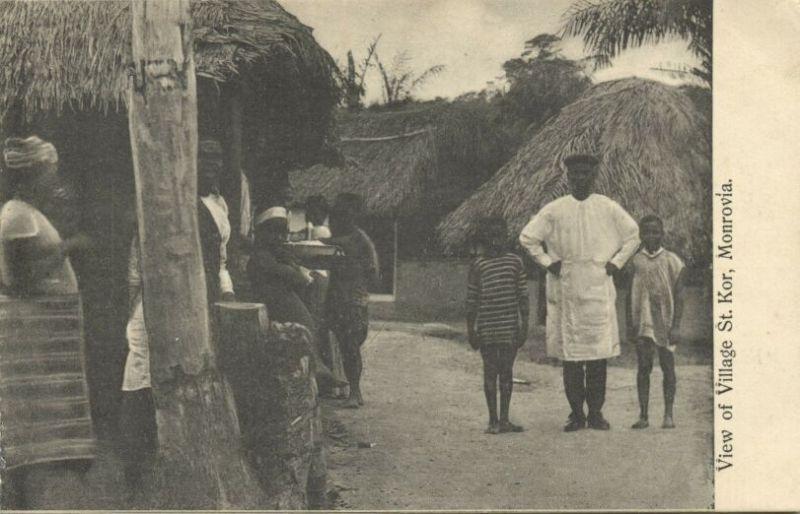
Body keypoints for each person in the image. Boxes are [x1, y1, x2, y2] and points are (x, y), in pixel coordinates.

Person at [0, 136, 96, 509]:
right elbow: (20, 279)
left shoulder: (26, 212)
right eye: (49, 173)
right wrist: (69, 247)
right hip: (31, 335)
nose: (53, 180)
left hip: (44, 337)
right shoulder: (17, 215)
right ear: (33, 175)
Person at [519, 154, 639, 432]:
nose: (579, 179)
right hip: (567, 286)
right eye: (574, 175)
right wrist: (549, 263)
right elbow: (527, 237)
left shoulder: (607, 207)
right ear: (568, 177)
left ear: (593, 176)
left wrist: (616, 262)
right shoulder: (555, 209)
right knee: (571, 357)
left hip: (598, 284)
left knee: (597, 357)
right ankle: (576, 414)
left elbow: (634, 235)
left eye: (585, 173)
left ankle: (596, 413)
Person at [247, 206, 343, 388]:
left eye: (283, 233)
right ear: (263, 234)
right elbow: (295, 277)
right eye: (274, 233)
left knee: (310, 321)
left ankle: (318, 366)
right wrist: (293, 268)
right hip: (272, 298)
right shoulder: (262, 256)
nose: (280, 238)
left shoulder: (275, 254)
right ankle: (317, 367)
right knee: (304, 322)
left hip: (282, 295)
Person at [466, 217, 529, 434]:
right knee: (490, 372)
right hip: (487, 328)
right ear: (485, 239)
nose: (496, 241)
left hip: (509, 328)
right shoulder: (478, 265)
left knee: (507, 372)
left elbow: (523, 296)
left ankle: (504, 419)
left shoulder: (515, 262)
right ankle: (492, 420)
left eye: (500, 236)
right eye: (492, 237)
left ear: (506, 237)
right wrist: (471, 330)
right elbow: (471, 300)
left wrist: (524, 326)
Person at [627, 215, 686, 429]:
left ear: (662, 234)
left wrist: (676, 326)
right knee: (644, 367)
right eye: (647, 232)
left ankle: (668, 414)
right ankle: (643, 416)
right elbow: (629, 295)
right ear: (641, 235)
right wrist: (629, 324)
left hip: (665, 322)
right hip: (643, 322)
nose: (651, 236)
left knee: (668, 367)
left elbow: (679, 296)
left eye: (656, 232)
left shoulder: (672, 260)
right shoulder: (635, 261)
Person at [324, 193, 379, 408]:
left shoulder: (358, 240)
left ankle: (355, 391)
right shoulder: (343, 239)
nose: (334, 223)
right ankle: (345, 388)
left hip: (353, 300)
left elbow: (373, 275)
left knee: (350, 346)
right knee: (340, 345)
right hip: (338, 298)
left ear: (350, 218)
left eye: (339, 218)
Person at [198, 139, 235, 304]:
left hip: (210, 292)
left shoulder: (220, 205)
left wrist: (227, 292)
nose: (211, 163)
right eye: (203, 156)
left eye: (216, 157)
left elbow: (220, 261)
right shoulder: (180, 204)